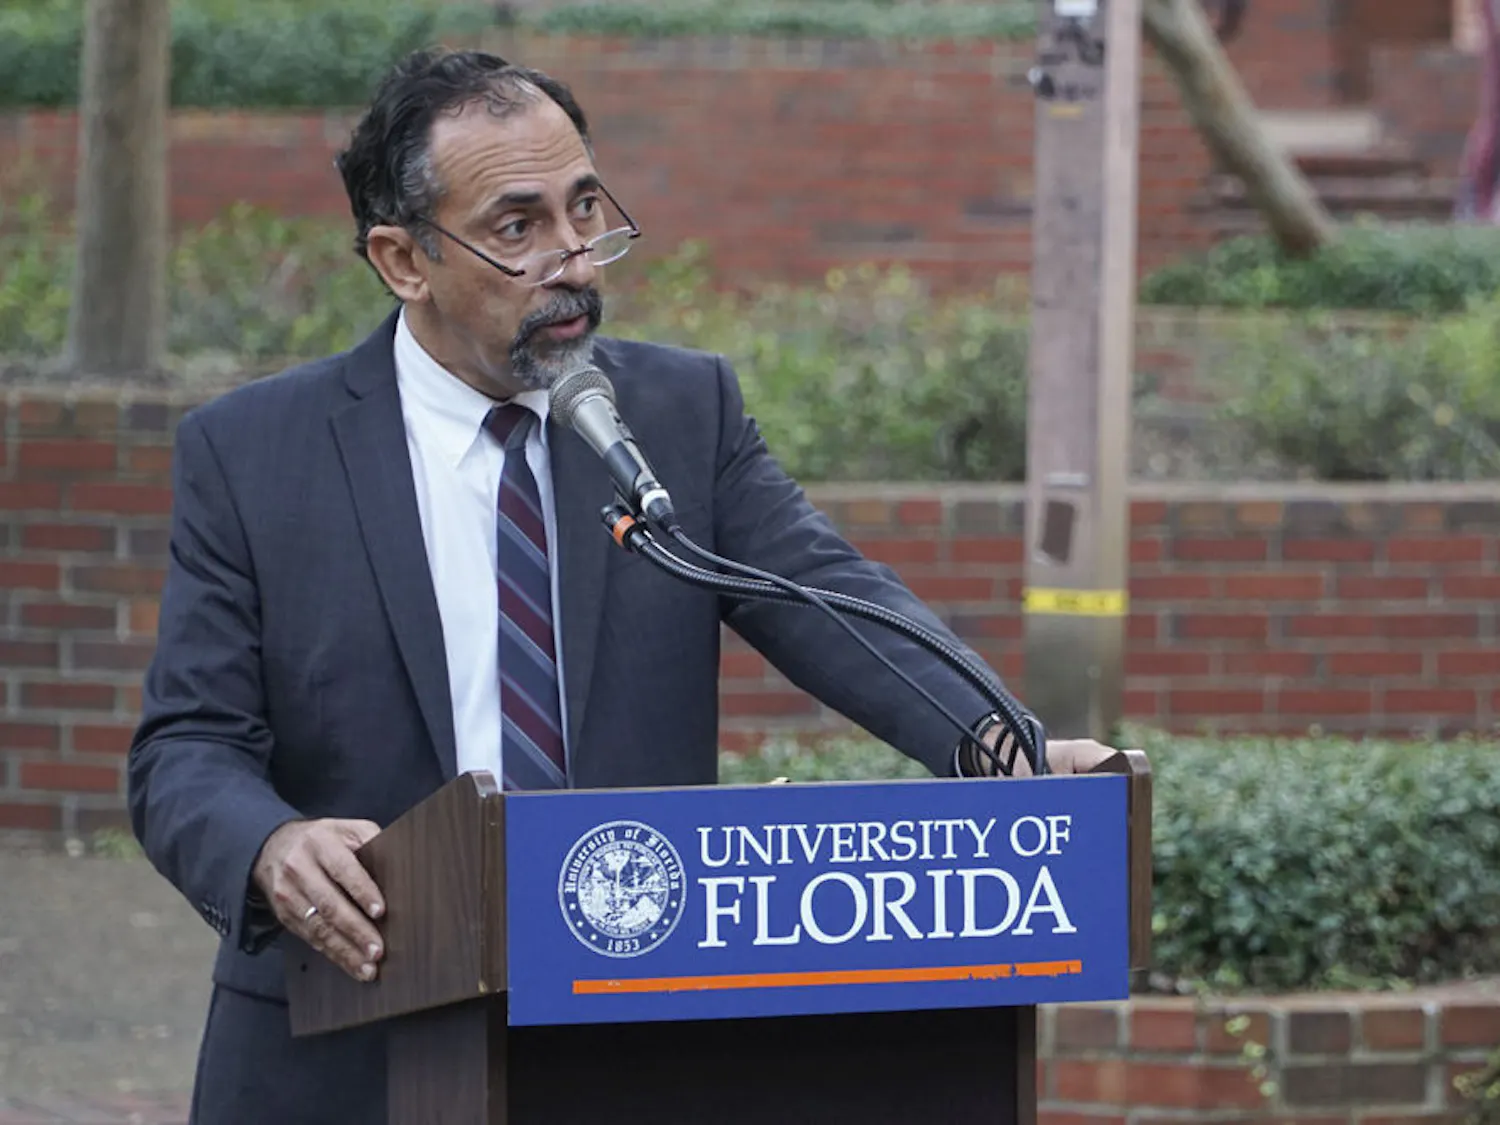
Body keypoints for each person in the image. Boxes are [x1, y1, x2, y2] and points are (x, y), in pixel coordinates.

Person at [127, 47, 1121, 1124]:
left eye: (586, 209)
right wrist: (272, 846)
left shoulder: (679, 412)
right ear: (402, 259)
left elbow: (825, 595)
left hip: (624, 1028)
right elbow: (187, 747)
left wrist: (1000, 744)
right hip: (341, 1040)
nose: (575, 260)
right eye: (518, 228)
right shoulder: (255, 454)